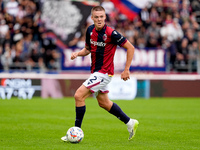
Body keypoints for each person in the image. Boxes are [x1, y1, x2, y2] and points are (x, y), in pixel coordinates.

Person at [61, 6, 139, 141]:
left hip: (104, 73)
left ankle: (74, 133)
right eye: (96, 17)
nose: (99, 19)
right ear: (92, 18)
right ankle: (130, 122)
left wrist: (126, 69)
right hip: (96, 72)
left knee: (79, 96)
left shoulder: (111, 33)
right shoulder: (90, 30)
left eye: (101, 17)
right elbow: (87, 49)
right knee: (104, 103)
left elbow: (130, 48)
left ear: (105, 17)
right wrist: (77, 54)